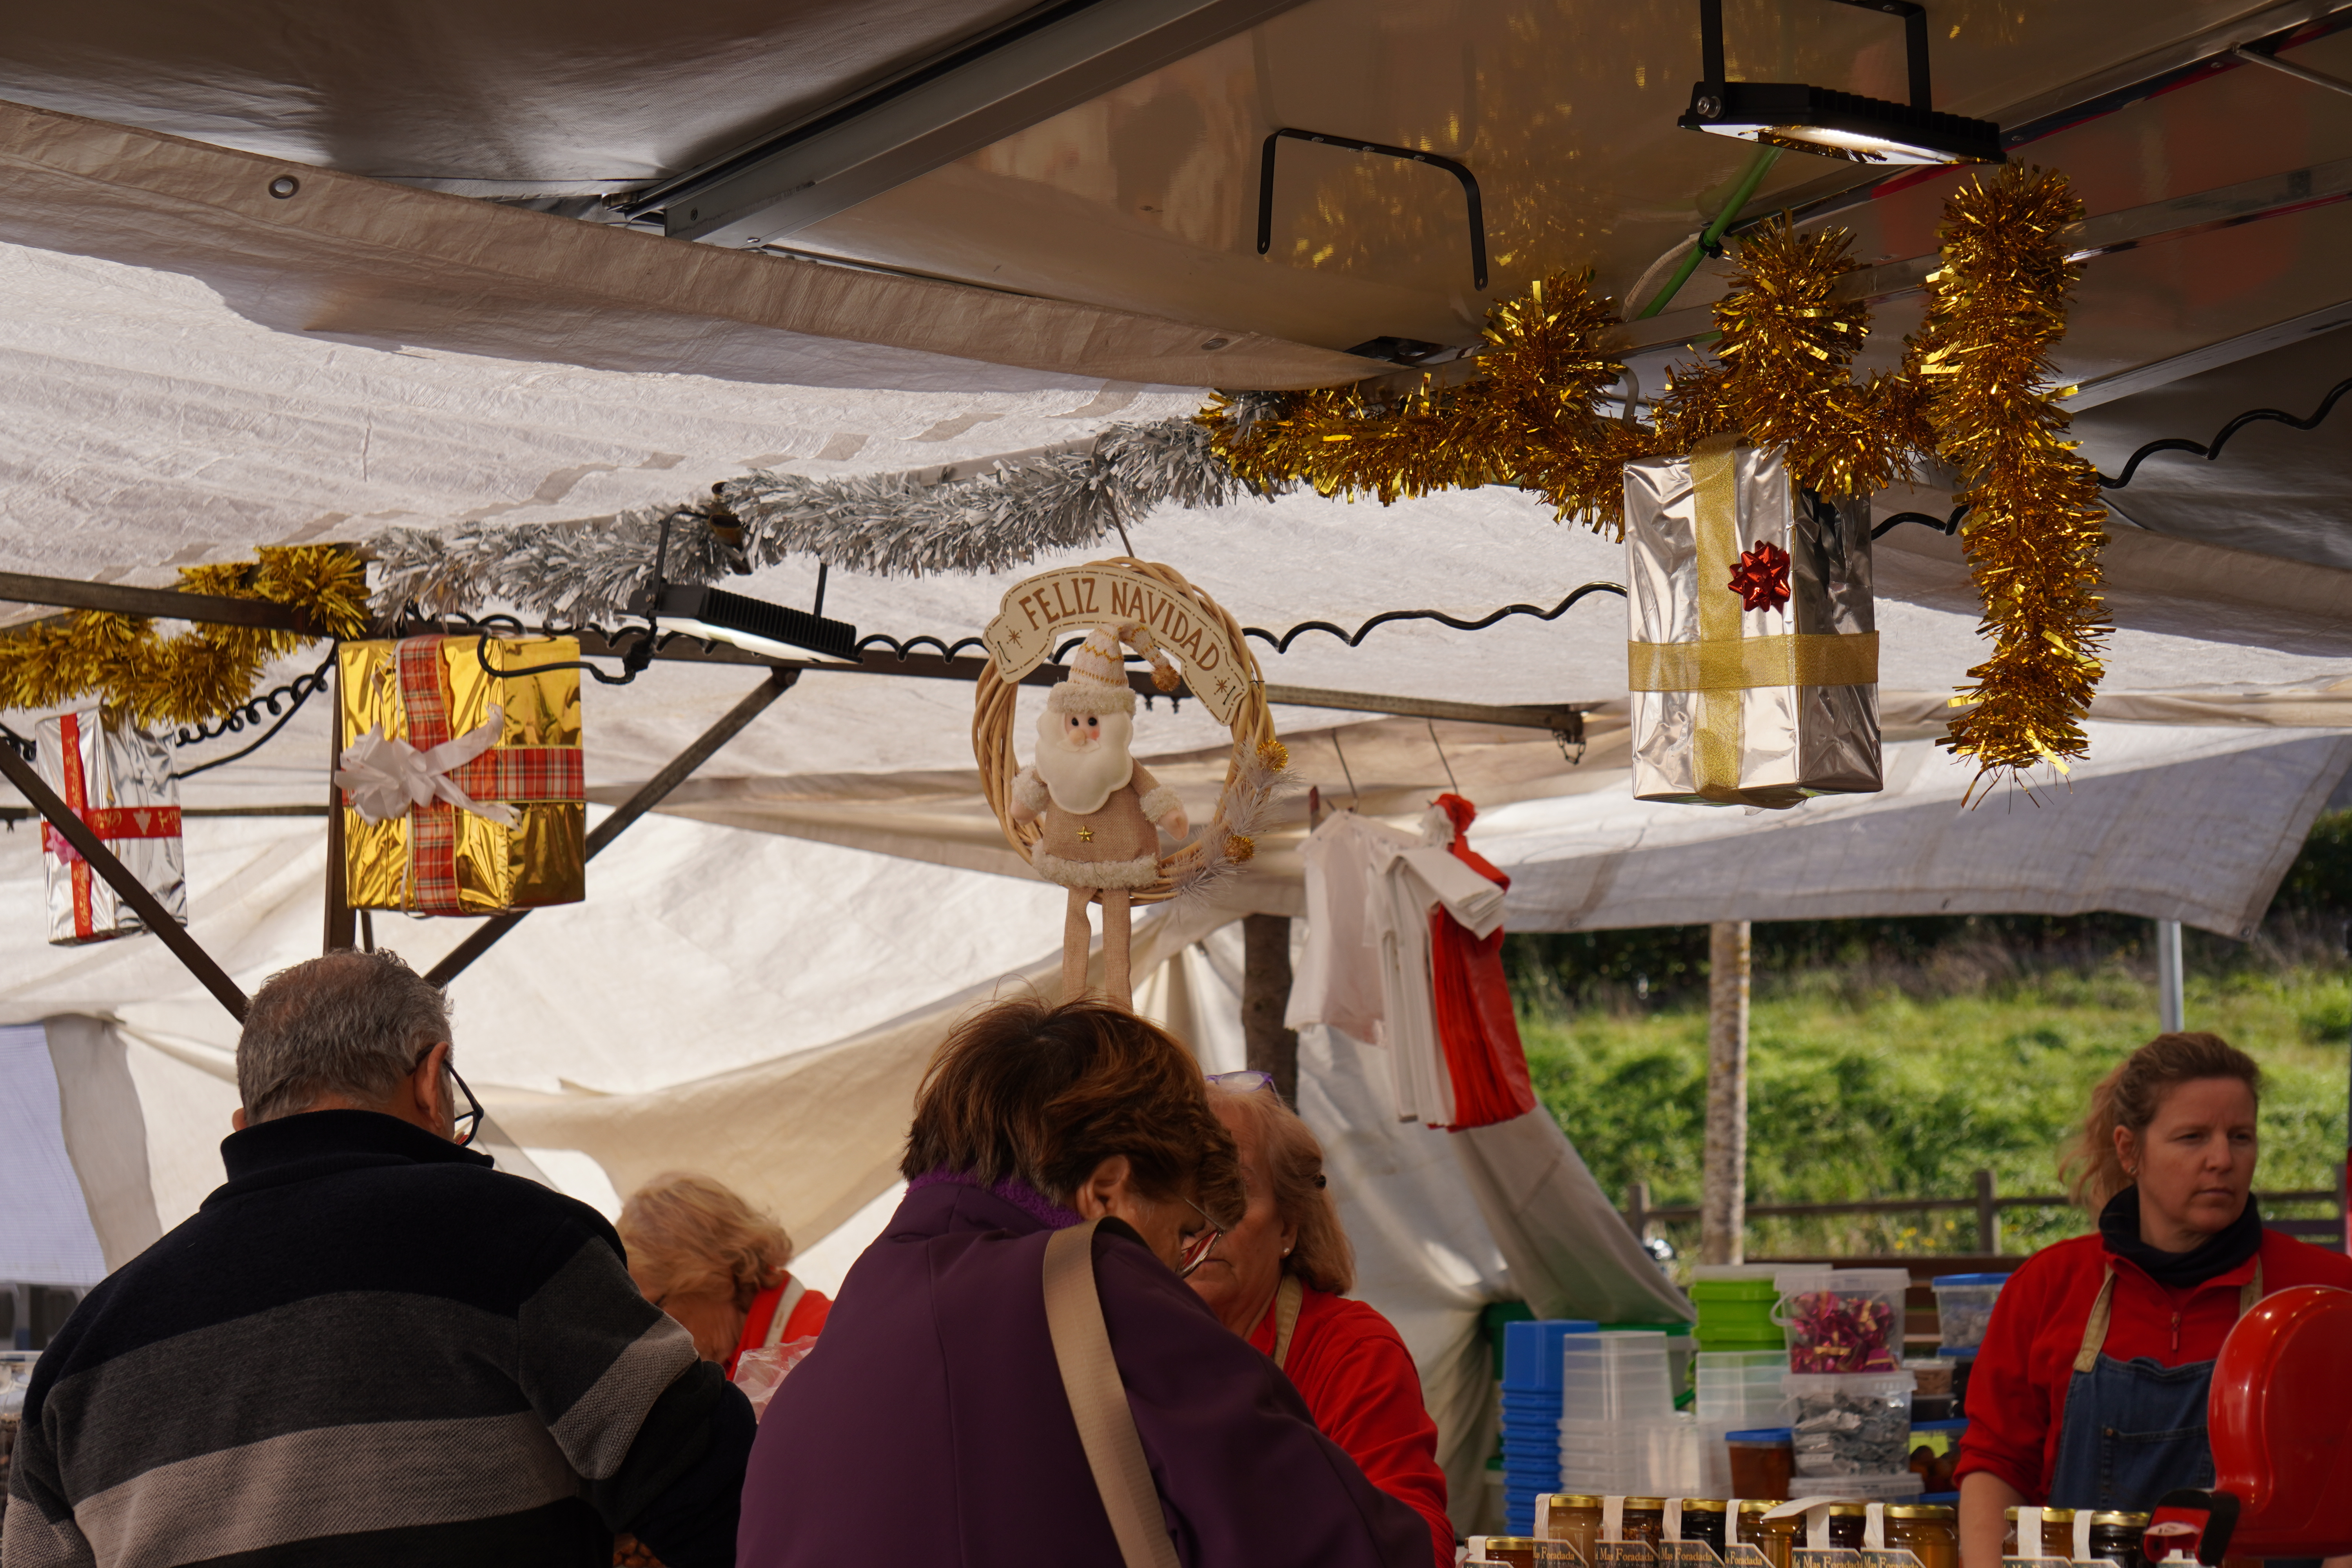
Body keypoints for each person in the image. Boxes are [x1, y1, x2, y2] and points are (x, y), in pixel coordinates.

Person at [0, 952, 753, 1568]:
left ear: (246, 1122)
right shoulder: (518, 1242)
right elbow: (729, 1500)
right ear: (433, 1080)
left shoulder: (82, 1355)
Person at [737, 996, 1430, 1568]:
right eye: (1185, 1233)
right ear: (1108, 1194)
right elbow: (1345, 1551)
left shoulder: (836, 1343)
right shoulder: (1097, 1287)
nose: (1181, 1273)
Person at [1955, 1032, 2352, 1566]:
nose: (2221, 1160)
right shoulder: (2049, 1286)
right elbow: (1996, 1464)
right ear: (2129, 1149)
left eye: (2240, 1136)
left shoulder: (2324, 1294)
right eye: (2192, 1137)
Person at [1190, 1072, 1454, 1568]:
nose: (1202, 1220)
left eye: (1231, 1190)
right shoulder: (1118, 1344)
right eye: (1179, 1190)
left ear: (1288, 1224)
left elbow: (1417, 1549)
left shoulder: (1351, 1349)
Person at [620, 1172, 832, 1373]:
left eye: (654, 1309)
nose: (652, 1335)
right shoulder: (736, 1370)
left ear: (712, 1276)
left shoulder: (822, 1344)